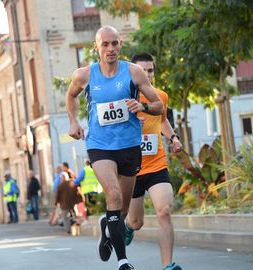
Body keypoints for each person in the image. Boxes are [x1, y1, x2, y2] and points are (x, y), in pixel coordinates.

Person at [66, 25, 163, 270]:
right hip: (100, 146)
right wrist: (73, 121)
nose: (111, 49)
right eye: (105, 44)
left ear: (120, 45)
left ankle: (107, 229)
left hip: (129, 145)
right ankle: (123, 261)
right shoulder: (84, 75)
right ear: (96, 47)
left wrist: (141, 107)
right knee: (114, 195)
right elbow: (71, 95)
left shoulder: (134, 72)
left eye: (115, 43)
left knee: (124, 209)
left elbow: (158, 105)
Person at [125, 53, 183, 270]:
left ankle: (168, 265)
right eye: (143, 70)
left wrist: (174, 138)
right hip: (131, 169)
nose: (147, 75)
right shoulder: (124, 97)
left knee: (164, 211)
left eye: (150, 70)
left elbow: (163, 120)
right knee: (136, 222)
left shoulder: (160, 96)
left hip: (156, 163)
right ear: (133, 71)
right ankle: (129, 226)